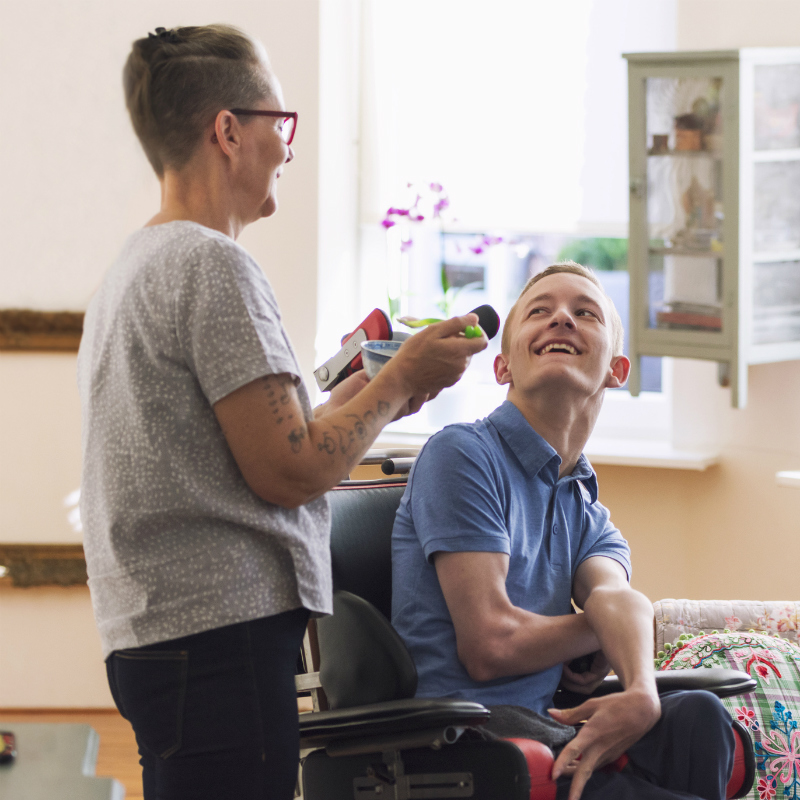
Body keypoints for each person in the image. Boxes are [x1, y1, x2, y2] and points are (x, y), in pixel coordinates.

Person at [76, 24, 487, 800]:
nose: (289, 150)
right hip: (219, 640)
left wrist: (360, 393)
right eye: (281, 125)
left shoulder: (136, 264)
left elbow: (248, 443)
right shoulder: (212, 265)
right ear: (228, 131)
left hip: (162, 637)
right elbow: (291, 469)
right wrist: (397, 381)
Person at [391, 261, 736, 800]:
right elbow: (489, 644)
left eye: (584, 312)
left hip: (548, 727)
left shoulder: (584, 505)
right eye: (539, 311)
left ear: (617, 370)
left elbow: (619, 599)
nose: (562, 320)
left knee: (699, 716)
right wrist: (600, 627)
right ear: (503, 367)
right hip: (469, 742)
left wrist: (641, 690)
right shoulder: (461, 454)